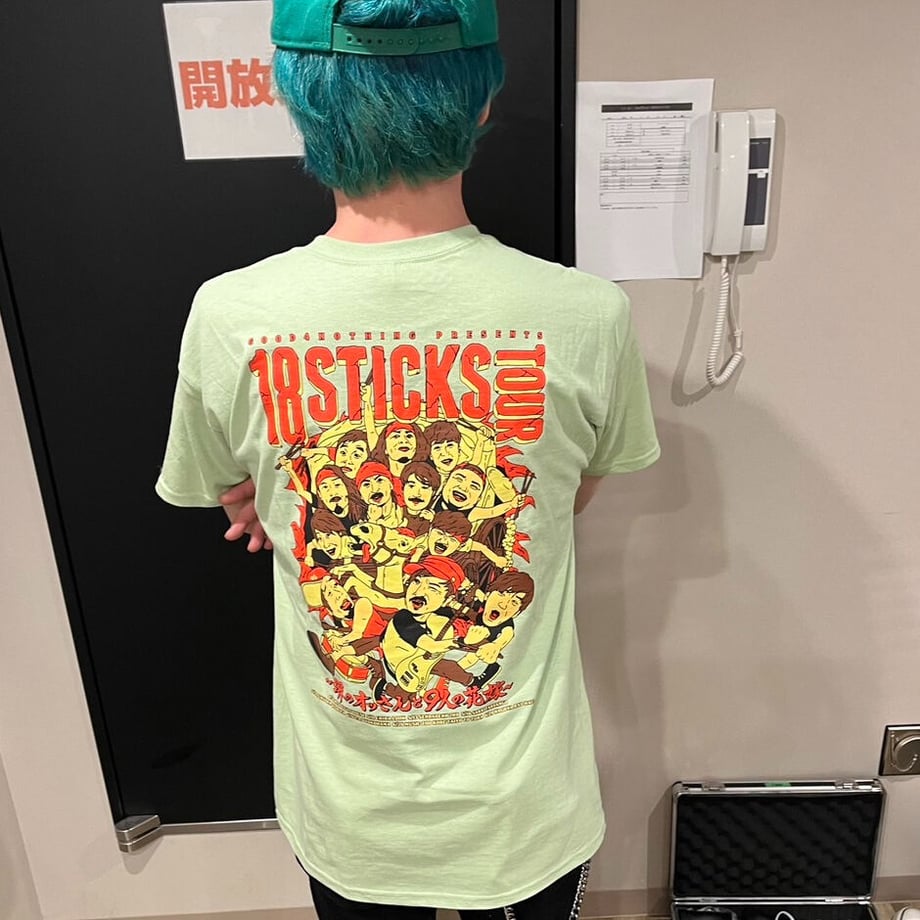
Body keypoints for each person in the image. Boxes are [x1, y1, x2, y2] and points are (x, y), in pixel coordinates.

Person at [155, 0, 660, 917]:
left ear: (295, 100)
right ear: (483, 101)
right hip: (525, 808)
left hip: (352, 814)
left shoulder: (228, 315)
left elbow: (228, 489)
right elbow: (563, 497)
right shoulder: (588, 314)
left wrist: (279, 502)